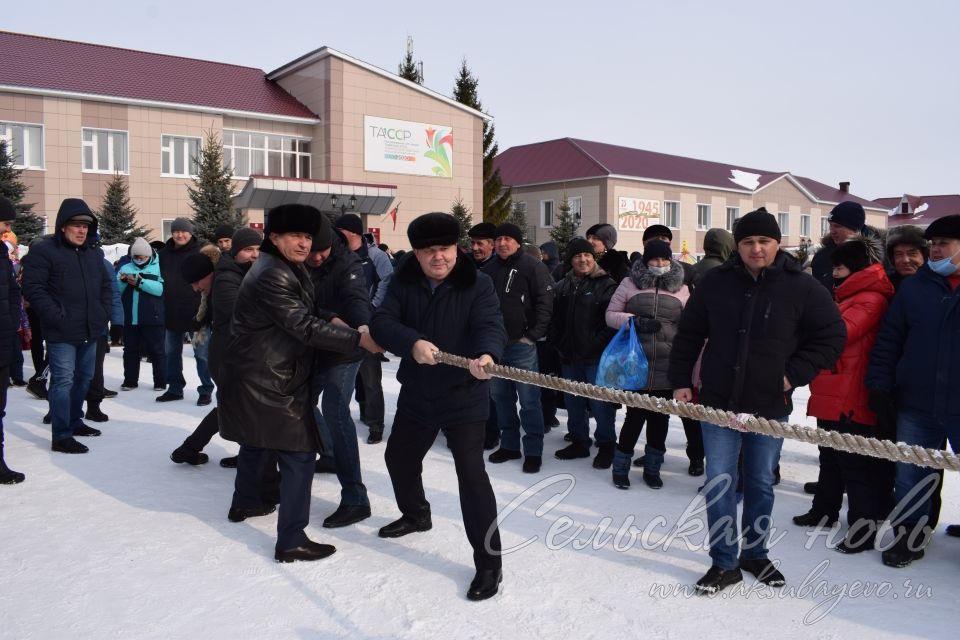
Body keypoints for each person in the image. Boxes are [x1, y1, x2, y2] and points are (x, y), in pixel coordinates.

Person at [669, 207, 845, 594]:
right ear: (738, 245)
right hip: (718, 400)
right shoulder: (715, 282)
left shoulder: (801, 286)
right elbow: (689, 334)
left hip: (768, 404)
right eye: (748, 242)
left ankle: (755, 553)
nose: (756, 249)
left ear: (776, 243)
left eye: (764, 241)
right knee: (719, 482)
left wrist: (792, 374)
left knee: (761, 482)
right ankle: (724, 562)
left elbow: (832, 335)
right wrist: (680, 380)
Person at [218, 204, 380, 563]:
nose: (304, 244)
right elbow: (302, 326)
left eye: (308, 237)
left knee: (257, 442)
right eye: (296, 236)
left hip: (261, 371)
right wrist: (357, 339)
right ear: (274, 237)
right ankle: (291, 538)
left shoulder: (281, 266)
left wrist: (333, 318)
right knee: (300, 454)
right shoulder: (272, 273)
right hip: (270, 376)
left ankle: (246, 501)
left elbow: (302, 312)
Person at [370, 211, 506, 601]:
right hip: (418, 391)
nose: (438, 258)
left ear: (456, 248)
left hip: (463, 393)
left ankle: (489, 563)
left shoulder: (476, 284)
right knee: (398, 458)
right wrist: (411, 341)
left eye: (444, 249)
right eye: (428, 251)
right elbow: (380, 322)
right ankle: (416, 514)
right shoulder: (403, 281)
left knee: (471, 475)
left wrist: (486, 353)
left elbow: (490, 324)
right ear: (415, 253)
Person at [866, 214, 960, 568]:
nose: (935, 250)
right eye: (932, 244)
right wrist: (880, 382)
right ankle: (910, 534)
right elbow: (891, 338)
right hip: (917, 400)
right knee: (911, 472)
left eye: (944, 245)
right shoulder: (916, 287)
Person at [798, 237, 895, 553]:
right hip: (833, 388)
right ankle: (824, 510)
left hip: (850, 393)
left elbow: (840, 334)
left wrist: (810, 324)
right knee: (829, 456)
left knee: (854, 465)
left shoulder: (870, 298)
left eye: (839, 267)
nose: (834, 274)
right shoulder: (848, 297)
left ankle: (862, 529)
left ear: (855, 269)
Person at [22, 198, 113, 454]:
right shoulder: (45, 250)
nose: (82, 230)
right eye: (76, 225)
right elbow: (33, 288)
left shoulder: (93, 252)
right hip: (61, 330)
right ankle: (61, 435)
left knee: (84, 379)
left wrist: (103, 311)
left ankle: (75, 421)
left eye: (86, 225)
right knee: (63, 381)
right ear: (63, 226)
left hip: (90, 328)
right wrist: (55, 315)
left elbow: (106, 285)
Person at [171, 228, 263, 468]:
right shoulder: (223, 284)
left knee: (231, 407)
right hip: (228, 358)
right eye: (248, 249)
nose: (195, 288)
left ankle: (189, 448)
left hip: (228, 357)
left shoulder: (223, 280)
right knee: (239, 407)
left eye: (196, 282)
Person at [605, 240, 690, 489]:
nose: (660, 264)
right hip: (635, 360)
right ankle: (620, 467)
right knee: (634, 416)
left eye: (664, 260)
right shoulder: (629, 283)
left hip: (667, 362)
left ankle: (653, 468)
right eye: (654, 260)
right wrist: (634, 321)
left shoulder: (682, 288)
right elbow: (610, 315)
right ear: (645, 261)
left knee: (659, 419)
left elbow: (689, 325)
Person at [306, 220, 373, 528]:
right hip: (315, 343)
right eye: (312, 252)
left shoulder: (349, 264)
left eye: (322, 252)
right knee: (302, 400)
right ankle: (330, 453)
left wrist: (362, 328)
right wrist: (328, 316)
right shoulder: (296, 259)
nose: (316, 258)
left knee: (335, 409)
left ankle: (356, 499)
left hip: (347, 348)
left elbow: (357, 298)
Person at [484, 222, 554, 473]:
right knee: (500, 398)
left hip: (522, 346)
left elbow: (546, 304)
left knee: (529, 400)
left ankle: (533, 450)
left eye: (507, 239)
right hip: (494, 347)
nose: (502, 243)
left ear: (517, 242)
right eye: (498, 238)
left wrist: (532, 336)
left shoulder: (533, 266)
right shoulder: (489, 268)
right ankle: (510, 445)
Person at [548, 238, 618, 468]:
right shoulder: (564, 285)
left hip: (595, 357)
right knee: (573, 402)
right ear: (571, 259)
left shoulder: (606, 284)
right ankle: (579, 441)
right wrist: (558, 342)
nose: (582, 259)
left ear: (593, 257)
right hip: (569, 356)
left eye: (586, 255)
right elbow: (554, 319)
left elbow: (610, 323)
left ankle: (607, 444)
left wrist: (593, 345)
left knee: (600, 404)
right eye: (577, 256)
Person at [334, 213, 393, 443]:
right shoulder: (339, 254)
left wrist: (372, 306)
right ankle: (363, 411)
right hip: (343, 325)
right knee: (347, 376)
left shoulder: (375, 256)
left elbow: (388, 282)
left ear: (352, 233)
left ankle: (376, 425)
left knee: (370, 377)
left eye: (340, 231)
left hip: (369, 325)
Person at [158, 217, 213, 405]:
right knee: (171, 353)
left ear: (191, 233)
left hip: (198, 313)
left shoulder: (202, 251)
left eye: (184, 231)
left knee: (202, 354)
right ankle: (174, 388)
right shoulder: (163, 254)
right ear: (171, 233)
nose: (180, 234)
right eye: (176, 231)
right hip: (172, 311)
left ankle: (206, 389)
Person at [117, 238, 166, 391]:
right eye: (136, 257)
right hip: (130, 317)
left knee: (157, 351)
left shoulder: (159, 267)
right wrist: (123, 281)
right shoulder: (125, 267)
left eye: (142, 257)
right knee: (130, 350)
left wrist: (139, 282)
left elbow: (159, 289)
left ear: (149, 255)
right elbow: (116, 291)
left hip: (153, 317)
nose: (139, 260)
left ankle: (160, 382)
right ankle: (130, 381)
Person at [0, 196, 24, 482]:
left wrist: (11, 321)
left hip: (3, 338)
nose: (7, 230)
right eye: (5, 223)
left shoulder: (2, 254)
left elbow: (12, 291)